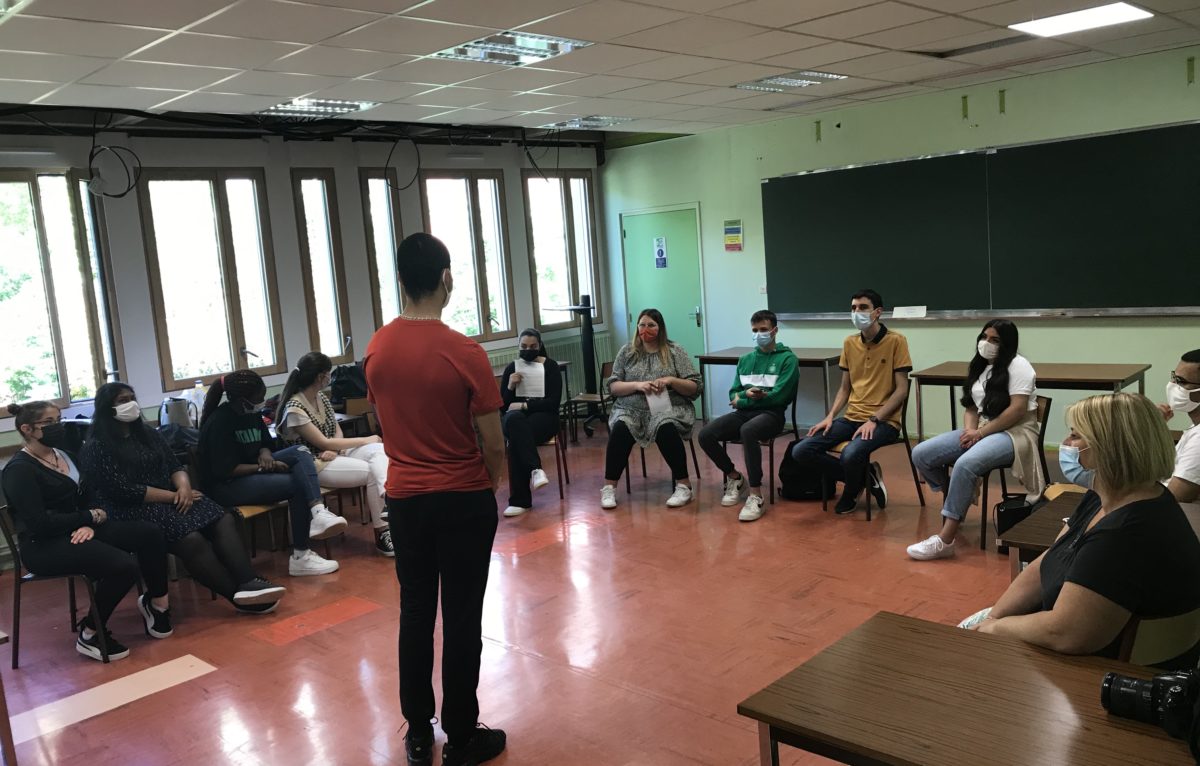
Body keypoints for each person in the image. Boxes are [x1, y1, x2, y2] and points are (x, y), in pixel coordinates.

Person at [364, 232, 507, 766]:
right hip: (462, 498)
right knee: (463, 615)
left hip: (406, 500)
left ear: (399, 280)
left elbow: (383, 423)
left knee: (416, 611)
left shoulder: (377, 349)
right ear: (446, 279)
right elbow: (494, 443)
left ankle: (419, 733)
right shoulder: (464, 351)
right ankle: (463, 735)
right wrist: (485, 486)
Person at [968, 393, 1200, 668]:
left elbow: (1065, 632)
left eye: (1076, 436)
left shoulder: (1124, 536)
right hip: (1069, 646)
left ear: (1109, 448)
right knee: (971, 628)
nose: (1066, 444)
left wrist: (996, 629)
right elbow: (1049, 560)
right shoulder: (1108, 496)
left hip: (1104, 677)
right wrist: (994, 617)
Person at [80, 383, 286, 613]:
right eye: (122, 400)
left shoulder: (147, 433)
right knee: (191, 539)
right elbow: (124, 490)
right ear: (107, 408)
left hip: (169, 498)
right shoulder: (97, 446)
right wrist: (172, 496)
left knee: (222, 517)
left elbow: (174, 465)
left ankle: (248, 581)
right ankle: (236, 596)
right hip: (128, 509)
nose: (130, 404)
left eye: (132, 397)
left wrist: (184, 488)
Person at [1, 401, 172, 661]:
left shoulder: (64, 454)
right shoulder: (19, 470)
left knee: (149, 533)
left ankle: (157, 604)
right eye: (49, 422)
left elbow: (87, 493)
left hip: (80, 529)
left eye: (59, 419)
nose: (58, 426)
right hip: (43, 545)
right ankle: (90, 633)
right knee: (123, 566)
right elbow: (39, 524)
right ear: (27, 429)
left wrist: (87, 521)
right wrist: (86, 518)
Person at [906, 320, 1046, 560]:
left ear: (1008, 344)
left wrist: (980, 435)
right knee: (921, 454)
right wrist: (970, 434)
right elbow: (971, 407)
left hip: (1015, 432)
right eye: (984, 337)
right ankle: (954, 494)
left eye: (995, 340)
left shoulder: (1019, 365)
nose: (986, 344)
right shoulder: (979, 366)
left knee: (965, 464)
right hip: (982, 427)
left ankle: (945, 539)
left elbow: (1017, 411)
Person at [197, 369, 345, 577]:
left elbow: (266, 443)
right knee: (297, 484)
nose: (262, 401)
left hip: (255, 472)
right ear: (241, 400)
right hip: (227, 485)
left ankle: (318, 511)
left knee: (300, 452)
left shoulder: (251, 413)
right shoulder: (219, 422)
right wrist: (265, 466)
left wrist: (265, 452)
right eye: (258, 398)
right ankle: (301, 556)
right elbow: (225, 470)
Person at [790, 289, 912, 515]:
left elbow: (902, 390)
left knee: (851, 454)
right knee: (801, 450)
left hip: (884, 422)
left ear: (877, 312)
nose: (857, 312)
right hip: (850, 417)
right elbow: (845, 388)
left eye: (863, 307)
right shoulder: (849, 342)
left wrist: (875, 419)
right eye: (853, 308)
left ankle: (850, 491)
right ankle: (865, 477)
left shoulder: (897, 341)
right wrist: (829, 416)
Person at [275, 352, 393, 556]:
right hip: (314, 463)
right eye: (328, 374)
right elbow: (321, 442)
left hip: (334, 453)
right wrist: (364, 439)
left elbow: (335, 431)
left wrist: (336, 448)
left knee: (380, 451)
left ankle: (387, 499)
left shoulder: (320, 397)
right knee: (373, 468)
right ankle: (383, 532)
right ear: (321, 377)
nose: (331, 378)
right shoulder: (295, 407)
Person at [697, 310, 798, 522]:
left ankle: (755, 494)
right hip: (743, 413)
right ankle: (735, 478)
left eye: (763, 330)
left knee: (748, 431)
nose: (759, 334)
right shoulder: (745, 359)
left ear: (774, 330)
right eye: (755, 330)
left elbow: (779, 397)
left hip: (772, 415)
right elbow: (733, 393)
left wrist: (743, 399)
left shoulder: (788, 359)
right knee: (706, 434)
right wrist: (744, 396)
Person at [600, 309, 703, 511]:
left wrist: (671, 381)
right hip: (630, 409)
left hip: (667, 407)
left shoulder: (674, 351)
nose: (645, 330)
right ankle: (609, 487)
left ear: (660, 328)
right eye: (642, 325)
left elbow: (695, 386)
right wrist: (637, 385)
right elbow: (613, 386)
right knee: (621, 428)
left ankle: (684, 485)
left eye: (651, 325)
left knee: (665, 426)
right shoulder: (627, 352)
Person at [498, 329, 561, 518]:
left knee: (517, 438)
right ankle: (535, 469)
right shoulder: (512, 369)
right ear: (518, 347)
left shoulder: (550, 367)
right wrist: (510, 386)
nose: (528, 350)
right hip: (516, 420)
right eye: (523, 347)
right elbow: (503, 406)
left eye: (533, 347)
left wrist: (524, 405)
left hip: (545, 419)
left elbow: (553, 403)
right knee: (514, 422)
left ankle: (520, 501)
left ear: (540, 346)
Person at [1158, 349, 1200, 504]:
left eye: (1182, 381)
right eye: (1174, 378)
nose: (1173, 385)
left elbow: (1176, 498)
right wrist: (1155, 428)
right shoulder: (1195, 427)